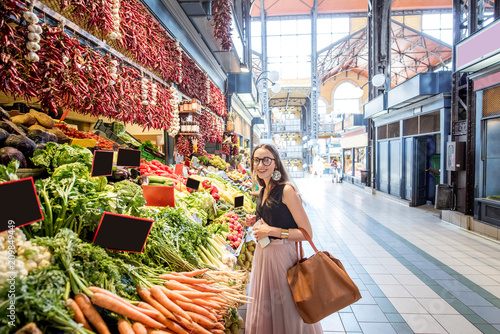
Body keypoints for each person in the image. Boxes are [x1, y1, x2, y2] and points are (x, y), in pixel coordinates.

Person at [244, 144, 323, 334]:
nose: (260, 165)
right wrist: (254, 221)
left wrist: (273, 230)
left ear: (276, 164)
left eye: (266, 160)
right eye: (256, 160)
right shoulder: (263, 190)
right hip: (264, 256)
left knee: (286, 307)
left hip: (282, 257)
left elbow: (306, 233)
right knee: (268, 308)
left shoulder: (286, 190)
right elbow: (270, 218)